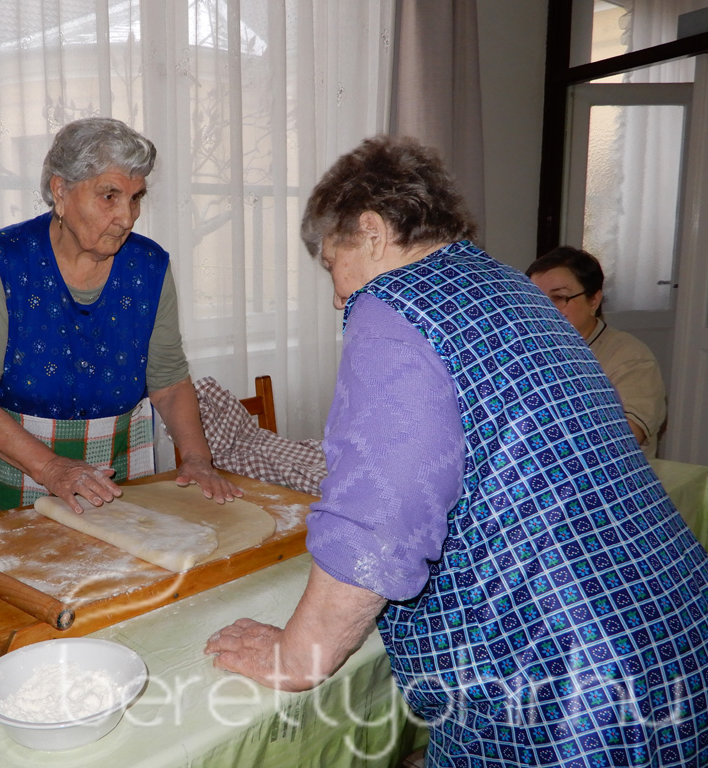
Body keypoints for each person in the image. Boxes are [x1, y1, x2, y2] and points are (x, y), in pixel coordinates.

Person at [205, 135, 708, 767]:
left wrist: (296, 655)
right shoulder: (512, 287)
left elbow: (378, 519)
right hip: (669, 619)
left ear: (371, 233)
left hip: (564, 683)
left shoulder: (392, 304)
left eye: (332, 263)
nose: (337, 296)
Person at [0, 117, 240, 516]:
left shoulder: (149, 266)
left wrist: (198, 459)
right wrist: (51, 467)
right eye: (109, 196)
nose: (127, 217)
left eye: (136, 198)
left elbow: (168, 383)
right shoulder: (4, 262)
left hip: (122, 468)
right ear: (61, 191)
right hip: (22, 474)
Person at [527, 245, 667, 460]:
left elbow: (625, 437)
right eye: (534, 298)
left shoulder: (630, 357)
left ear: (594, 300)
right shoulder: (525, 351)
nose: (544, 309)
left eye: (559, 297)